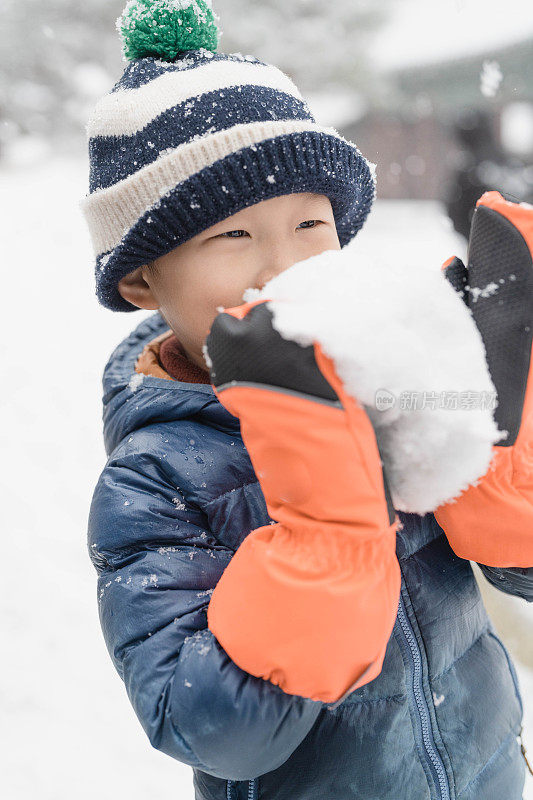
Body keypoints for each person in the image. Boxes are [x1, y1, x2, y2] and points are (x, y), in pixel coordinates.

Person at [80, 2, 533, 798]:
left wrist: (498, 432)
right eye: (234, 236)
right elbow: (217, 728)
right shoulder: (155, 482)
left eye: (308, 224)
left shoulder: (388, 381)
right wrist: (325, 523)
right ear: (142, 278)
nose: (284, 265)